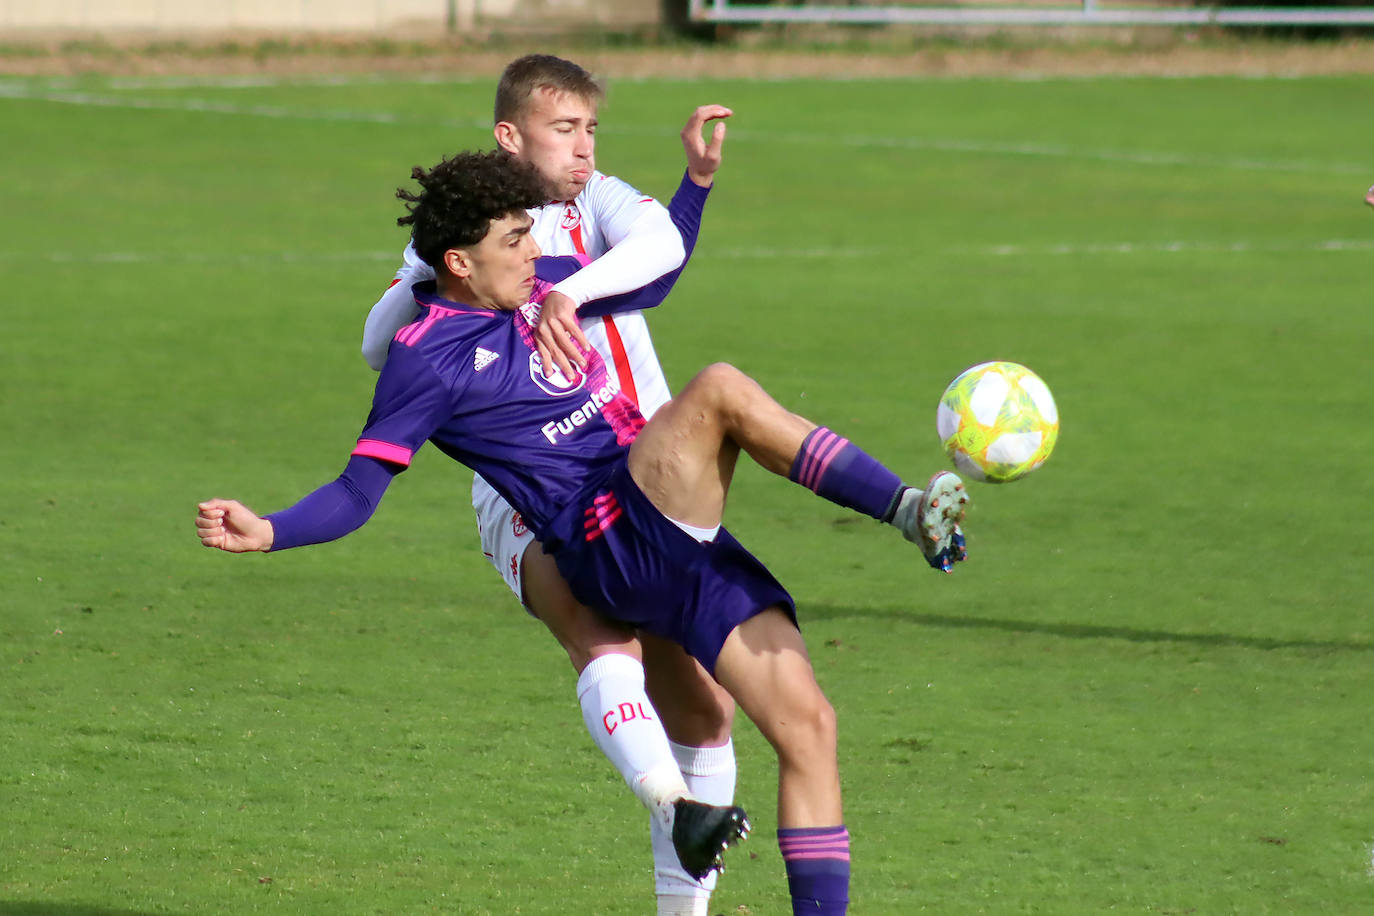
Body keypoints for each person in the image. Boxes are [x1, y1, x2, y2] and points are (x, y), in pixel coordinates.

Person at [196, 150, 970, 915]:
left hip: (668, 531)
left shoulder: (538, 297)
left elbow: (658, 274)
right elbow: (358, 489)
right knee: (721, 391)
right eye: (515, 240)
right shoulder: (425, 357)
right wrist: (268, 530)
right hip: (607, 535)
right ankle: (906, 511)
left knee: (808, 725)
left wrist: (694, 186)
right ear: (459, 262)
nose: (536, 251)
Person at [362, 55, 739, 915]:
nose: (582, 147)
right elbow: (380, 342)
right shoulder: (462, 236)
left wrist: (693, 187)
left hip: (634, 474)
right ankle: (672, 811)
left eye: (590, 129)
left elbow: (664, 263)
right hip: (526, 487)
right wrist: (433, 275)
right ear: (511, 135)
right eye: (563, 130)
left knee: (707, 711)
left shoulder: (592, 202)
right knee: (605, 644)